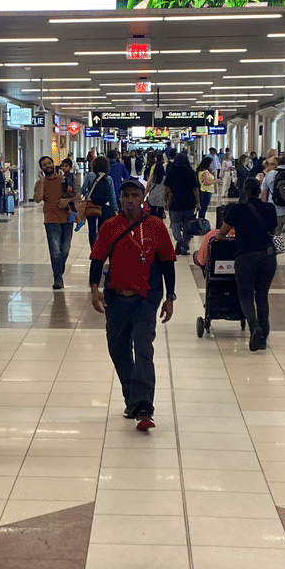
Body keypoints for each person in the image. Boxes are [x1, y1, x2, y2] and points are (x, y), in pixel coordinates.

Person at [89, 179, 176, 430]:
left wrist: (170, 297)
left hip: (146, 297)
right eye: (125, 195)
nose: (130, 200)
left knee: (143, 348)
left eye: (134, 195)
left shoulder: (156, 227)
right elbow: (97, 259)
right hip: (116, 296)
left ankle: (144, 407)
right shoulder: (109, 226)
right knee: (118, 348)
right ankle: (132, 399)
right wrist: (94, 289)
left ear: (142, 198)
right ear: (121, 198)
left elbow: (168, 263)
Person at [215, 177, 277, 351]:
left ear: (244, 191)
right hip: (268, 255)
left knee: (246, 295)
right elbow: (272, 230)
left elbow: (223, 231)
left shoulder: (236, 209)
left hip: (245, 257)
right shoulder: (269, 208)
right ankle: (263, 337)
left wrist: (220, 237)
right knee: (262, 295)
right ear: (259, 191)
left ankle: (254, 326)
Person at [33, 156, 76, 290]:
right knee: (55, 251)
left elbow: (77, 196)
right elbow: (38, 199)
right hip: (51, 219)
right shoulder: (40, 183)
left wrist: (67, 201)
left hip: (67, 218)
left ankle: (59, 273)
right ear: (41, 168)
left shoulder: (63, 179)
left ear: (53, 164)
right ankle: (58, 278)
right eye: (44, 165)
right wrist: (42, 181)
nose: (48, 166)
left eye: (49, 163)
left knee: (65, 250)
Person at [163, 151, 201, 254]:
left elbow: (166, 188)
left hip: (175, 202)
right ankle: (185, 247)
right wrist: (198, 203)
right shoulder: (190, 172)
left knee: (175, 223)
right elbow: (195, 189)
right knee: (187, 225)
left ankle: (178, 238)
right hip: (189, 203)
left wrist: (165, 201)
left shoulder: (171, 171)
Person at [82, 156, 114, 246]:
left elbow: (82, 190)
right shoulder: (109, 178)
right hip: (104, 206)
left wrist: (88, 195)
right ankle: (100, 249)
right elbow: (112, 196)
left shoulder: (90, 175)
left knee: (92, 229)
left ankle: (93, 249)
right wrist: (115, 210)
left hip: (91, 205)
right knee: (102, 229)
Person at [197, 155, 216, 220]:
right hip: (206, 191)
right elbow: (207, 182)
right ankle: (201, 221)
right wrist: (216, 181)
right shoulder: (205, 172)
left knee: (203, 208)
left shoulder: (201, 170)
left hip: (204, 190)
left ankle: (201, 220)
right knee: (203, 208)